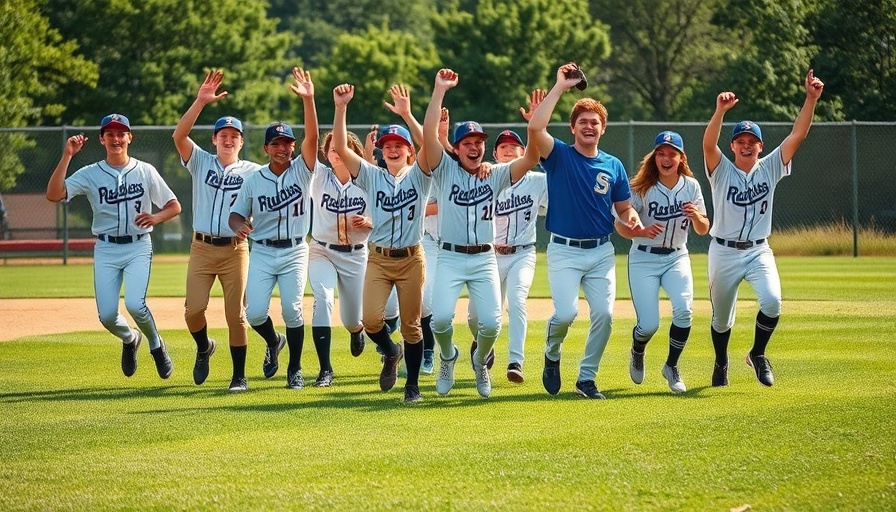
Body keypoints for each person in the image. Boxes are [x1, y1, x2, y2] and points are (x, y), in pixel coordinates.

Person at [420, 68, 540, 399]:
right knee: (440, 319)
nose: (474, 147)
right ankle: (447, 356)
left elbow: (531, 156)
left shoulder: (497, 174)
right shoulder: (443, 170)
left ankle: (480, 362)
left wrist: (534, 125)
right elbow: (429, 135)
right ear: (456, 148)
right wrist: (439, 90)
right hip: (449, 256)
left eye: (479, 143)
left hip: (484, 257)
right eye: (467, 143)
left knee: (491, 323)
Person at [702, 69, 824, 387]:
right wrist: (719, 111)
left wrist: (810, 99)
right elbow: (707, 143)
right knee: (721, 318)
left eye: (751, 142)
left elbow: (798, 135)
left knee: (772, 301)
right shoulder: (720, 170)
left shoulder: (770, 165)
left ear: (760, 146)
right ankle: (721, 361)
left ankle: (757, 354)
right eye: (740, 141)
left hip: (758, 249)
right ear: (732, 146)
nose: (746, 146)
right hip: (723, 252)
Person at [528, 63, 643, 399]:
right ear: (573, 128)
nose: (589, 126)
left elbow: (623, 207)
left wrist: (632, 217)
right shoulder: (559, 155)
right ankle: (552, 354)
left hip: (601, 251)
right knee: (565, 314)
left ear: (603, 129)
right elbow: (536, 128)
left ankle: (586, 379)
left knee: (605, 315)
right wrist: (561, 87)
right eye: (583, 122)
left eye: (595, 122)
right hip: (564, 250)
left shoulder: (613, 165)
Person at [46, 114, 181, 379]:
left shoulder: (145, 170)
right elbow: (53, 194)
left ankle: (156, 344)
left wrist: (155, 217)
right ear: (102, 139)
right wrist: (67, 156)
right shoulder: (91, 173)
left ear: (130, 137)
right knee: (107, 315)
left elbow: (174, 206)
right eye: (110, 134)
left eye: (121, 134)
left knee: (135, 304)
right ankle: (130, 339)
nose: (116, 139)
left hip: (138, 246)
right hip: (106, 248)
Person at [331, 83, 433, 403]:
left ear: (408, 151)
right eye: (387, 144)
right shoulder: (371, 175)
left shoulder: (420, 175)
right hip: (378, 257)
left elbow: (429, 145)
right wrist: (341, 107)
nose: (392, 148)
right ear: (381, 150)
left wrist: (407, 114)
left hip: (411, 258)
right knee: (371, 320)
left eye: (399, 144)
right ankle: (391, 352)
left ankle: (412, 386)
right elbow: (341, 147)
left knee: (412, 326)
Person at [228, 67, 319, 392]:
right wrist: (240, 226)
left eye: (287, 143)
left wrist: (309, 100)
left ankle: (294, 368)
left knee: (293, 308)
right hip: (263, 250)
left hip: (295, 248)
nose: (283, 148)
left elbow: (313, 138)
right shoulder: (254, 180)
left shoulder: (303, 170)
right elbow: (236, 215)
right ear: (266, 148)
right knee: (253, 313)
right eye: (276, 143)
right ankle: (273, 340)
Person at [173, 70, 262, 389]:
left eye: (234, 135)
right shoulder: (200, 161)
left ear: (241, 141)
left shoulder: (253, 171)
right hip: (201, 248)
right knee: (193, 310)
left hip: (235, 251)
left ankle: (239, 375)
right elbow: (179, 137)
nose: (228, 139)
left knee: (236, 315)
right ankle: (204, 347)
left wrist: (255, 224)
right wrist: (200, 101)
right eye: (222, 134)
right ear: (214, 139)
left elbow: (271, 197)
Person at [614, 131, 709, 393]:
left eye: (672, 154)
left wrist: (697, 217)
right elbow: (620, 225)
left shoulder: (691, 186)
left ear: (681, 158)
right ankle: (638, 348)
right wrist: (638, 231)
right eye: (661, 153)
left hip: (677, 256)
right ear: (654, 156)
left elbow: (703, 228)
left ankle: (671, 365)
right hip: (644, 257)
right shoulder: (640, 187)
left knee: (684, 310)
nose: (666, 158)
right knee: (648, 325)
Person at [307, 129, 371, 387]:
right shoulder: (318, 177)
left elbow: (385, 214)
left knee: (352, 319)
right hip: (322, 250)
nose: (337, 152)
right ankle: (325, 369)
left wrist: (370, 221)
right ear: (326, 154)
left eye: (342, 147)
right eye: (332, 148)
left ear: (353, 151)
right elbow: (309, 141)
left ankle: (356, 331)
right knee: (322, 299)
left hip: (355, 256)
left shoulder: (368, 179)